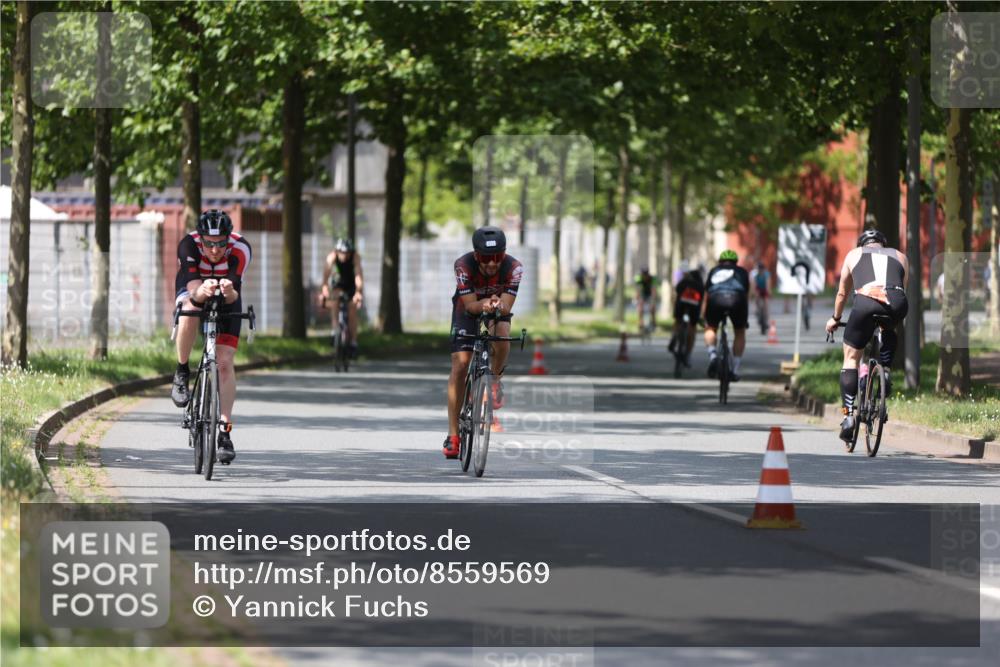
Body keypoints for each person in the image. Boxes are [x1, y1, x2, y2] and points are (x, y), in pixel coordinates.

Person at [170, 210, 252, 464]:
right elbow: (193, 290)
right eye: (209, 243)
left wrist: (227, 289)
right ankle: (182, 370)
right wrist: (203, 291)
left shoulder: (241, 248)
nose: (215, 250)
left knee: (225, 362)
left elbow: (234, 295)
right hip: (194, 287)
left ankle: (224, 432)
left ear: (228, 239)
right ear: (201, 239)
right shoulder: (188, 245)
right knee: (190, 310)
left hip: (227, 296)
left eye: (220, 244)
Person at [444, 226, 523, 459]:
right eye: (486, 259)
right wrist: (485, 302)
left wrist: (496, 306)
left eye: (497, 258)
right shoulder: (463, 265)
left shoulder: (514, 268)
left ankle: (495, 381)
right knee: (460, 364)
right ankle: (453, 435)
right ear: (476, 256)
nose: (491, 264)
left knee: (502, 334)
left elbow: (507, 307)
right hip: (467, 308)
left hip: (497, 307)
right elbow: (469, 306)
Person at [826, 229, 909, 442]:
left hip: (866, 301)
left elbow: (843, 293)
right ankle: (886, 370)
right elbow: (902, 288)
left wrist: (835, 318)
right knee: (889, 327)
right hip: (896, 301)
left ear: (863, 244)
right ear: (883, 244)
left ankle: (848, 416)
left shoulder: (854, 254)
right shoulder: (900, 256)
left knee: (851, 357)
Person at [701, 249, 750, 382]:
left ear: (720, 262)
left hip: (715, 299)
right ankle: (734, 370)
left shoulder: (713, 271)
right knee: (740, 332)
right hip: (736, 300)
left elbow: (706, 295)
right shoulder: (742, 272)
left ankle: (713, 356)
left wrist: (702, 316)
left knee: (710, 328)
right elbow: (745, 296)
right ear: (736, 262)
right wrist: (745, 319)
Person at [320, 237, 364, 358]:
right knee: (334, 302)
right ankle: (335, 330)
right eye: (342, 253)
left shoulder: (355, 257)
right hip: (338, 284)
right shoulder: (332, 257)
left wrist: (358, 292)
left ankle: (354, 342)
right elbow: (326, 274)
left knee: (352, 310)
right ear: (337, 251)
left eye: (347, 253)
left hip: (351, 284)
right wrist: (324, 289)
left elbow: (358, 275)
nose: (344, 255)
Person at [668, 267, 705, 366]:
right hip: (694, 305)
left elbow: (677, 292)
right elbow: (702, 301)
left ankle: (674, 335)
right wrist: (701, 317)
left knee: (678, 320)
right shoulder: (700, 284)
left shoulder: (684, 281)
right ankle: (688, 354)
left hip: (682, 301)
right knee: (692, 327)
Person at [634, 267, 659, 333]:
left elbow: (653, 290)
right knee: (640, 307)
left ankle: (653, 322)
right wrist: (637, 298)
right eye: (643, 275)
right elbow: (638, 290)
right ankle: (640, 322)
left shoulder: (652, 278)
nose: (645, 277)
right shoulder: (638, 278)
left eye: (646, 275)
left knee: (652, 307)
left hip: (650, 294)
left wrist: (653, 299)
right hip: (643, 294)